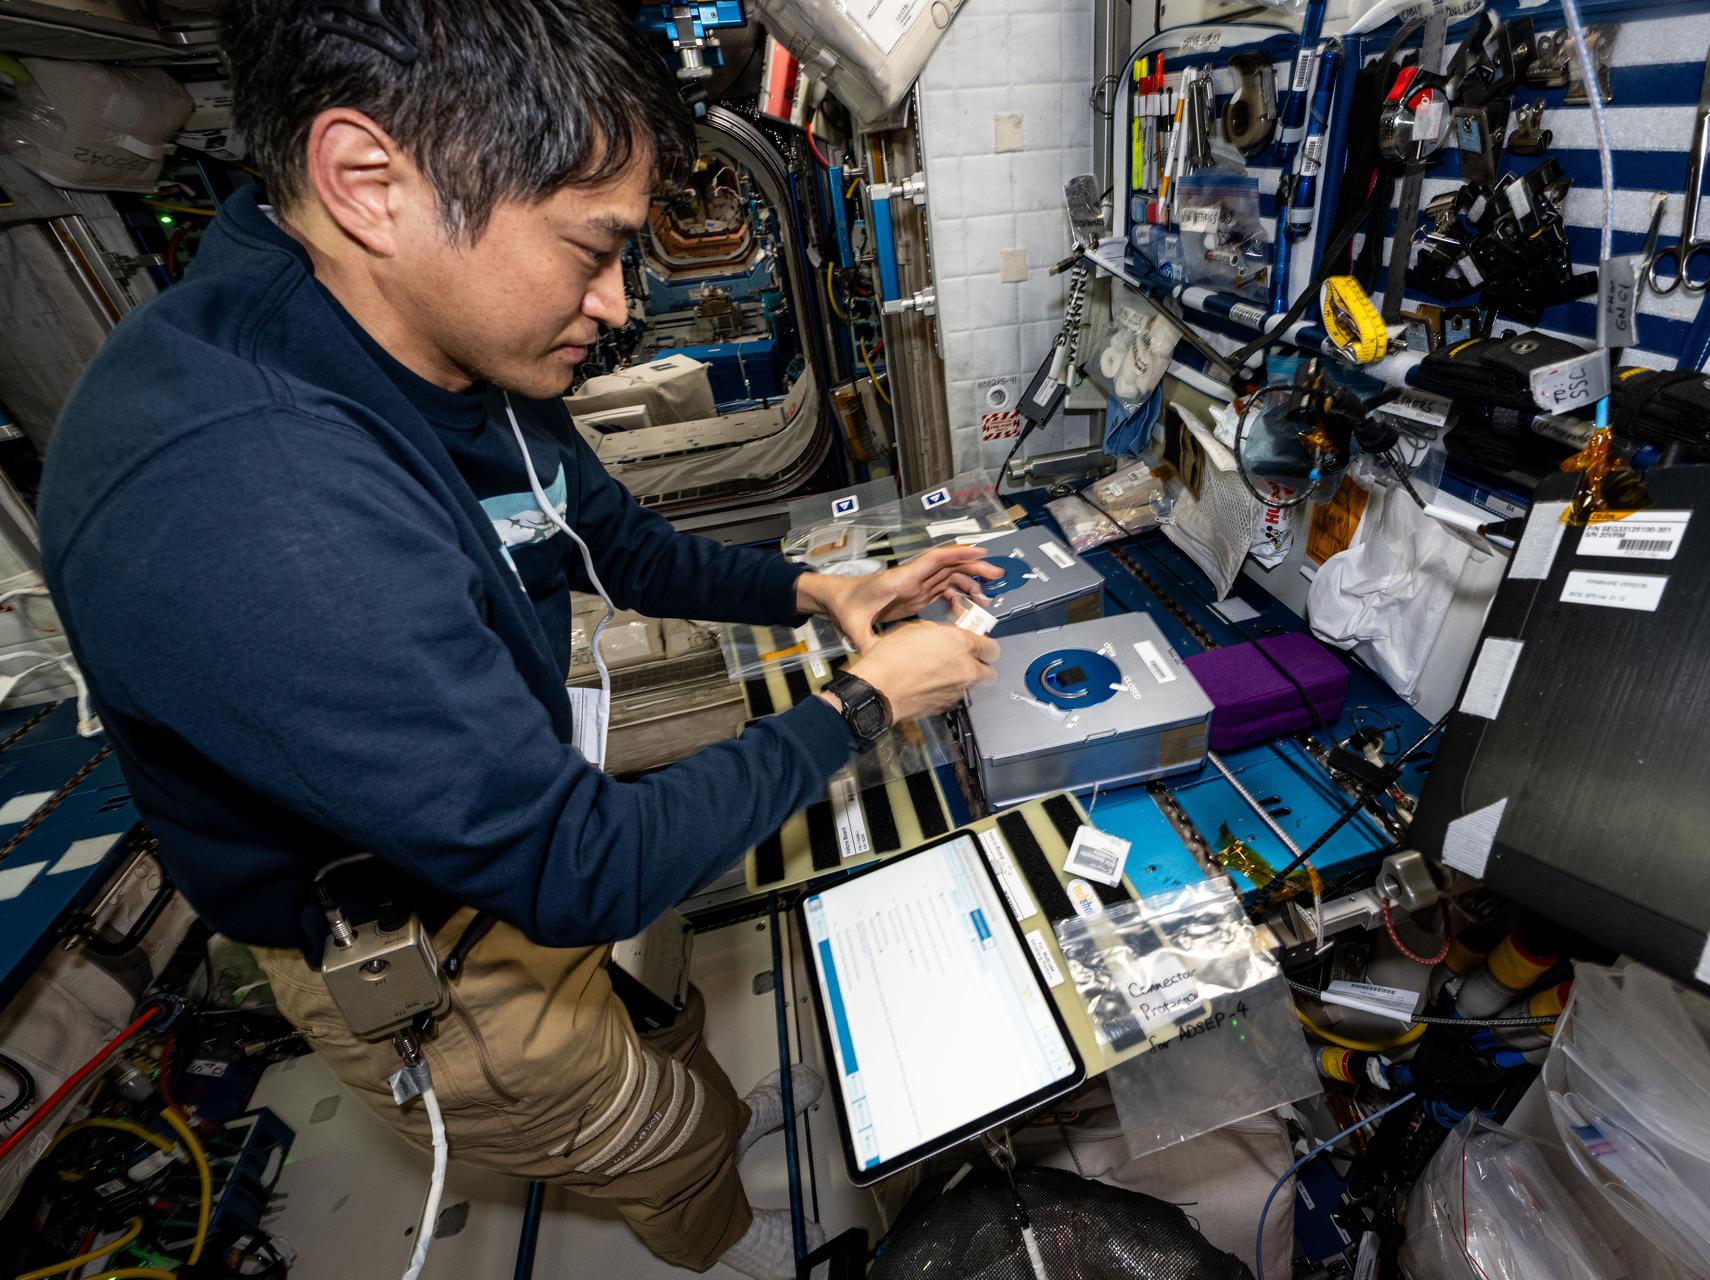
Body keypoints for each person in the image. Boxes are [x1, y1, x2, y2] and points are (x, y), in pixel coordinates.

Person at [37, 2, 999, 1276]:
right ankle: (720, 1221)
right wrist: (865, 701)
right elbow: (580, 866)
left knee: (646, 1026)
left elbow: (610, 539)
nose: (615, 303)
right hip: (426, 958)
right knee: (650, 1129)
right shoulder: (248, 502)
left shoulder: (423, 334)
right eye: (590, 250)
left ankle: (686, 1107)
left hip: (495, 856)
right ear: (369, 180)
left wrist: (815, 593)